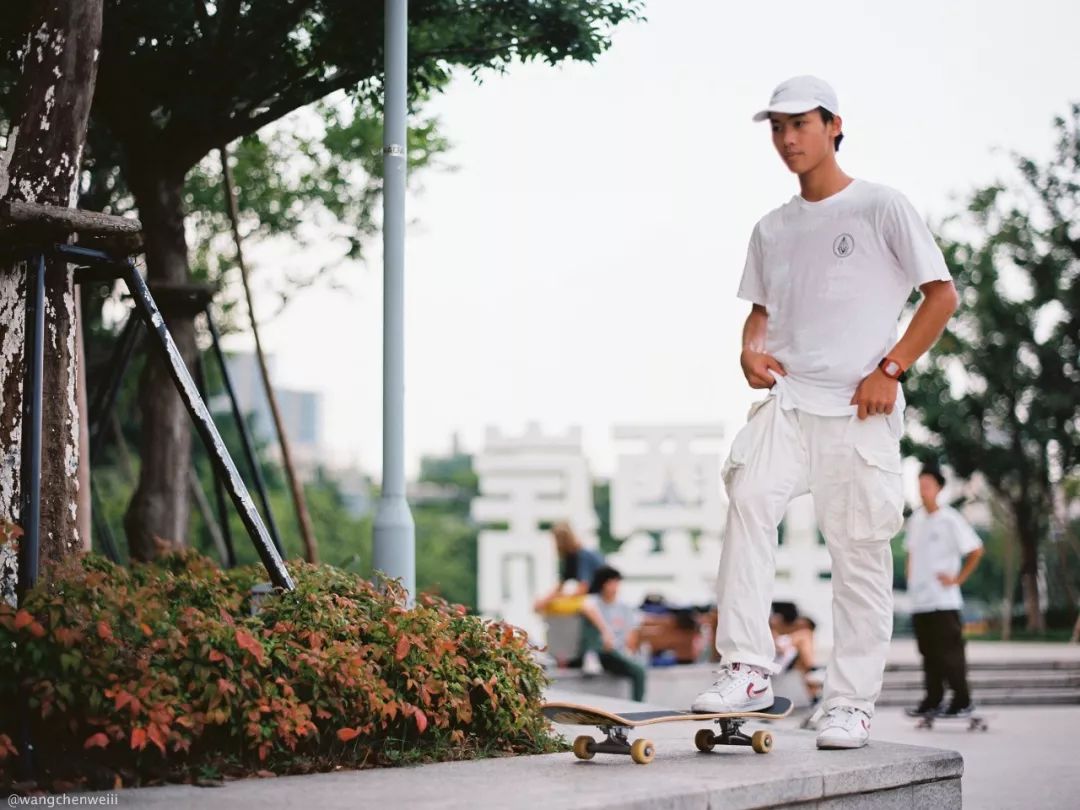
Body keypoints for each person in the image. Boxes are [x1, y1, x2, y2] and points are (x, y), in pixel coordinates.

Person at [691, 75, 960, 750]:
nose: (787, 140)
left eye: (800, 125)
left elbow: (941, 296)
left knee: (859, 553)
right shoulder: (772, 229)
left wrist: (890, 368)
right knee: (749, 498)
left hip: (859, 409)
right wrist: (748, 353)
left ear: (834, 125)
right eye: (777, 128)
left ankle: (849, 703)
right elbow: (760, 314)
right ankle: (749, 665)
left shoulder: (880, 207)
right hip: (788, 402)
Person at [904, 465, 984, 717]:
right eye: (919, 485)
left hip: (943, 600)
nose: (922, 490)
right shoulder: (916, 519)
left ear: (939, 488)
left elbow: (976, 550)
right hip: (920, 600)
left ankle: (962, 700)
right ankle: (933, 699)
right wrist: (910, 579)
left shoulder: (950, 518)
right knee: (928, 654)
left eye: (927, 485)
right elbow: (911, 553)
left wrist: (957, 579)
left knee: (950, 653)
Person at [579, 565, 647, 701]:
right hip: (599, 648)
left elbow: (632, 632)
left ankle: (638, 704)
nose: (615, 587)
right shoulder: (593, 601)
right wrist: (605, 631)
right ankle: (591, 657)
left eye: (617, 582)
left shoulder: (624, 606)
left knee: (638, 671)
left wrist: (628, 652)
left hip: (615, 652)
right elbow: (587, 608)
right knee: (590, 627)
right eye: (611, 582)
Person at [533, 522, 605, 614]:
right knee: (550, 606)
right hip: (591, 597)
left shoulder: (583, 555)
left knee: (564, 604)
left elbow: (582, 589)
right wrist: (544, 600)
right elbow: (560, 586)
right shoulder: (570, 557)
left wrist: (558, 597)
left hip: (600, 599)